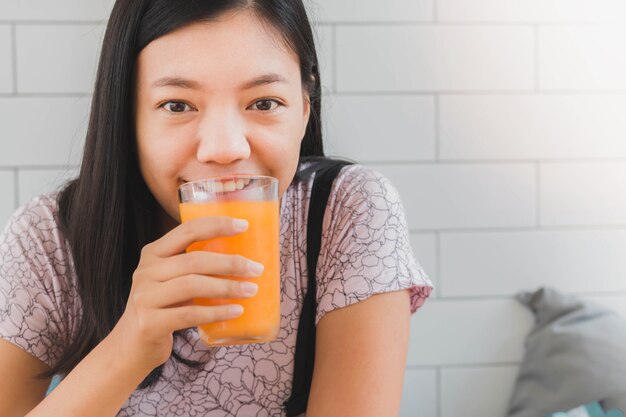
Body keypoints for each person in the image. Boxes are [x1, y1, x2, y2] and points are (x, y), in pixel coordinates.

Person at [0, 0, 432, 416]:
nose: (225, 149)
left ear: (304, 105)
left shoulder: (348, 213)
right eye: (177, 105)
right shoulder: (48, 243)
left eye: (264, 103)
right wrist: (127, 348)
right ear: (127, 115)